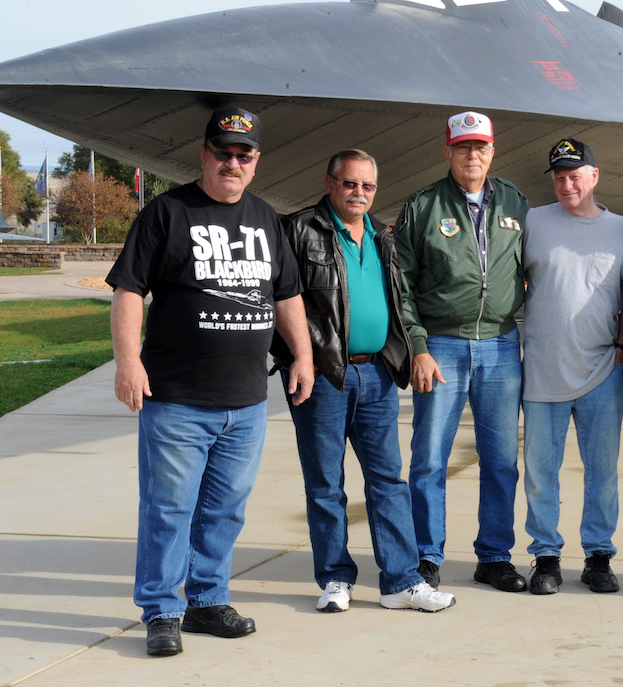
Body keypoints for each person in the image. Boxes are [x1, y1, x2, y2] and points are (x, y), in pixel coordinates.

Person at [108, 108, 315, 656]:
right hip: (176, 398)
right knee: (168, 508)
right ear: (203, 154)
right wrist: (128, 362)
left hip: (245, 403)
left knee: (224, 509)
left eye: (243, 155)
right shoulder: (166, 212)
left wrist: (303, 356)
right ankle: (161, 611)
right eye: (222, 152)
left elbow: (287, 295)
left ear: (255, 162)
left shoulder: (266, 218)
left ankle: (206, 600)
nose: (232, 162)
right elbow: (129, 290)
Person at [271, 149, 457, 614]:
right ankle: (335, 578)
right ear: (330, 183)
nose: (359, 193)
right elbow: (278, 299)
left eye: (368, 186)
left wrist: (415, 350)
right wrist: (299, 358)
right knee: (325, 483)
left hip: (376, 372)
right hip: (323, 375)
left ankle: (401, 581)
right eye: (350, 183)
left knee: (388, 481)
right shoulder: (299, 229)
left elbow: (399, 300)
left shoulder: (382, 235)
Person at [395, 111, 530, 593]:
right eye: (462, 147)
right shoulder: (424, 205)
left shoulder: (515, 200)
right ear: (447, 151)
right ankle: (426, 556)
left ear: (492, 151)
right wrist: (418, 345)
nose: (472, 155)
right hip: (443, 345)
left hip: (500, 342)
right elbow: (403, 284)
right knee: (430, 457)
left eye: (481, 147)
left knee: (500, 460)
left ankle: (494, 556)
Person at [521, 138, 623, 595]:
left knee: (602, 471)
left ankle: (598, 556)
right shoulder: (534, 222)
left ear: (594, 176)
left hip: (601, 372)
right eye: (558, 176)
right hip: (543, 370)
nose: (566, 184)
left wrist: (622, 349)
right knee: (540, 471)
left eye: (575, 174)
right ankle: (546, 556)